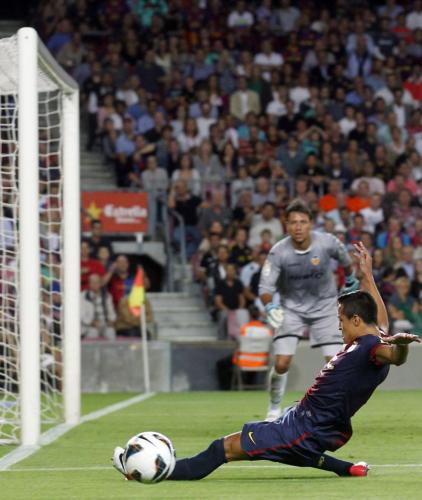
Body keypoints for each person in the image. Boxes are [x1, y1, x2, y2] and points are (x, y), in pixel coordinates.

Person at [113, 242, 420, 481]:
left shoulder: (373, 347)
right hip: (303, 422)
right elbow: (380, 320)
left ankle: (153, 472)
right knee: (291, 452)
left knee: (223, 448)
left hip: (303, 428)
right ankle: (346, 469)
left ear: (356, 320)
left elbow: (394, 356)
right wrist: (367, 277)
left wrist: (402, 347)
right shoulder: (374, 335)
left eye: (341, 320)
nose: (338, 326)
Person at [259, 199, 360, 421]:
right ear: (286, 225)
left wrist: (350, 278)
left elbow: (345, 260)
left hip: (325, 308)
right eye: (293, 222)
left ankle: (336, 410)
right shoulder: (278, 252)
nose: (298, 227)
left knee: (335, 363)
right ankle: (274, 408)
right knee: (282, 363)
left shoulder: (327, 242)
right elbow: (265, 287)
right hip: (291, 309)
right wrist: (270, 305)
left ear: (311, 224)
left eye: (303, 222)